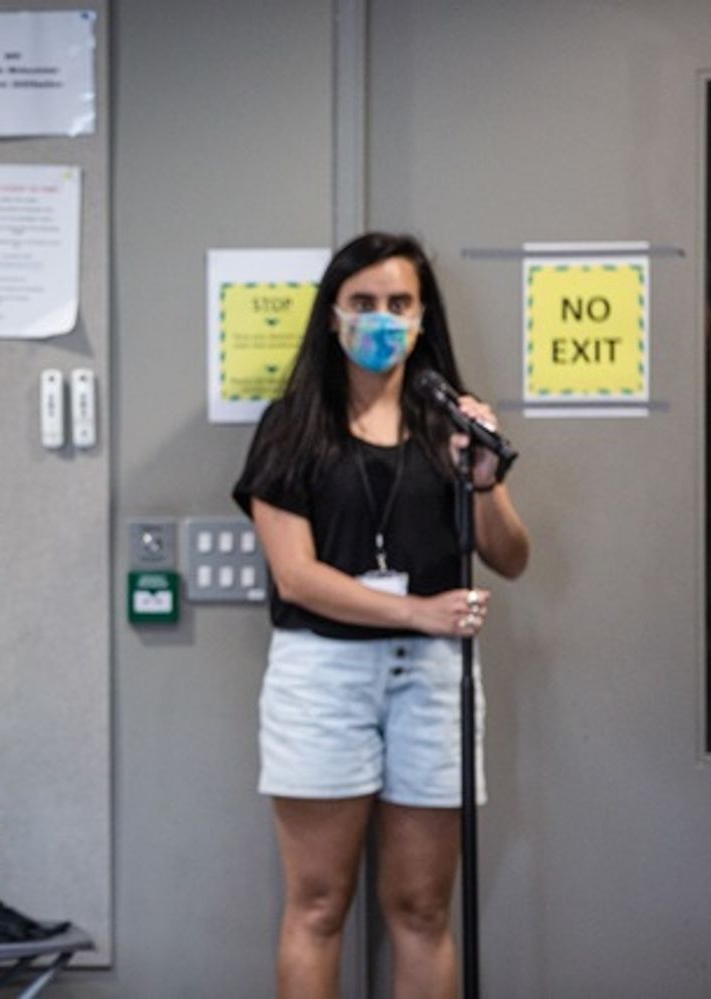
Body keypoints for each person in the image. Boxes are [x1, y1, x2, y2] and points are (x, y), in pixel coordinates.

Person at [233, 232, 530, 998]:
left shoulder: (450, 424)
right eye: (364, 303)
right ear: (332, 315)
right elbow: (295, 575)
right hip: (323, 674)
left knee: (423, 906)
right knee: (321, 902)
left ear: (423, 316)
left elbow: (512, 554)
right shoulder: (291, 426)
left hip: (432, 681)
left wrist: (486, 478)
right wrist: (422, 613)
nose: (382, 319)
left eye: (399, 303)